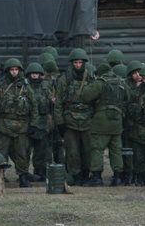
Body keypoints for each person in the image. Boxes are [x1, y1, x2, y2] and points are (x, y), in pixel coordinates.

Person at [0, 58, 38, 188]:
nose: (14, 72)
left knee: (22, 153)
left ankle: (23, 177)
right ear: (7, 71)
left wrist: (33, 124)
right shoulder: (1, 85)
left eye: (16, 69)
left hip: (22, 125)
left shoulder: (26, 86)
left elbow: (34, 106)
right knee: (0, 152)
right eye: (12, 69)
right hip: (3, 124)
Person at [55, 49, 95, 186]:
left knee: (88, 150)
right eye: (75, 62)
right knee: (72, 151)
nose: (78, 65)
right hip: (70, 120)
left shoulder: (91, 77)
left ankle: (86, 173)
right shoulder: (64, 79)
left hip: (88, 120)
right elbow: (59, 102)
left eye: (80, 62)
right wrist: (60, 122)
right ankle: (75, 175)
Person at [87, 63, 127, 187]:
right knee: (116, 150)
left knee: (97, 149)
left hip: (101, 122)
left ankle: (97, 178)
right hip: (117, 122)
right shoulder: (121, 82)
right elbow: (128, 96)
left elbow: (86, 96)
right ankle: (118, 177)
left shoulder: (100, 82)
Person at [25, 62, 53, 182]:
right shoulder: (25, 86)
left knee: (43, 150)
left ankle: (41, 171)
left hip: (43, 121)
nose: (35, 75)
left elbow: (51, 99)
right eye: (33, 73)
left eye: (37, 73)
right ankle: (25, 173)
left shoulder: (46, 86)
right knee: (26, 149)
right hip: (28, 122)